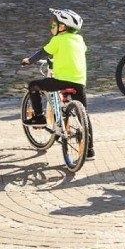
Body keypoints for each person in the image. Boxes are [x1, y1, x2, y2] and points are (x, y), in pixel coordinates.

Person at [21, 8, 95, 160]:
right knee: (84, 116)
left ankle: (39, 117)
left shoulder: (57, 40)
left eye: (53, 25)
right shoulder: (80, 40)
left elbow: (43, 52)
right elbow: (75, 53)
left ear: (62, 27)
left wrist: (29, 60)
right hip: (80, 82)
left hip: (60, 80)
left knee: (33, 85)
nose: (51, 27)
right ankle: (89, 150)